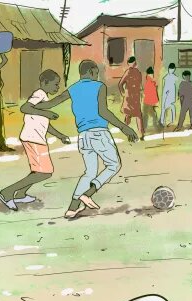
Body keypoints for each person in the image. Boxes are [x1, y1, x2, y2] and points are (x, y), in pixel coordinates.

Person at [34, 59, 138, 219]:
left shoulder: (74, 88)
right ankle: (88, 193)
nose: (97, 76)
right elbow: (103, 112)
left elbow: (52, 103)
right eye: (96, 73)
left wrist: (33, 107)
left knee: (89, 172)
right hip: (99, 133)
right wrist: (124, 127)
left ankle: (72, 207)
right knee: (113, 165)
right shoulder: (99, 87)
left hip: (83, 136)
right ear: (90, 72)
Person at [0, 70, 71, 211]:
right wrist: (46, 113)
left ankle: (20, 194)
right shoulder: (39, 94)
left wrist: (60, 135)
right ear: (45, 83)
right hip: (33, 138)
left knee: (38, 170)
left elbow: (45, 124)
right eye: (55, 84)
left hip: (36, 137)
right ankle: (7, 192)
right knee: (45, 172)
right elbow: (24, 108)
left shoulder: (44, 98)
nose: (57, 87)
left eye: (58, 85)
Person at [118, 56, 145, 139]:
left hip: (132, 96)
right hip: (132, 96)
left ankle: (137, 133)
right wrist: (123, 93)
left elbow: (120, 84)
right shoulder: (134, 72)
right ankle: (140, 134)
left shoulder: (133, 72)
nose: (134, 64)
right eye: (133, 62)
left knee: (132, 115)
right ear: (133, 63)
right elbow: (120, 84)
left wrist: (123, 93)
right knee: (135, 115)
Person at [142, 67, 160, 133]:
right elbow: (155, 93)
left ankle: (144, 127)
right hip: (151, 101)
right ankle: (155, 126)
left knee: (145, 114)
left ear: (147, 73)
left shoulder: (148, 81)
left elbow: (145, 92)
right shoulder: (153, 82)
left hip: (147, 101)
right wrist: (156, 101)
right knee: (152, 114)